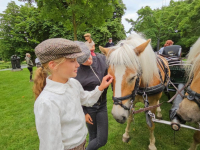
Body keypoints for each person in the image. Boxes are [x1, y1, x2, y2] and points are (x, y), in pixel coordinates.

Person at [33, 38, 113, 150]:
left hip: (82, 144)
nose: (78, 65)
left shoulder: (73, 84)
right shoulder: (47, 102)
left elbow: (87, 99)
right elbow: (51, 146)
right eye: (72, 61)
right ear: (53, 65)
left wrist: (101, 87)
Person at [75, 41, 108, 150]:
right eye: (85, 61)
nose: (89, 61)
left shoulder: (101, 60)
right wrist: (84, 112)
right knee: (93, 136)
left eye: (89, 57)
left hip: (102, 105)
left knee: (102, 139)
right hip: (89, 108)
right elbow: (77, 95)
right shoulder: (76, 73)